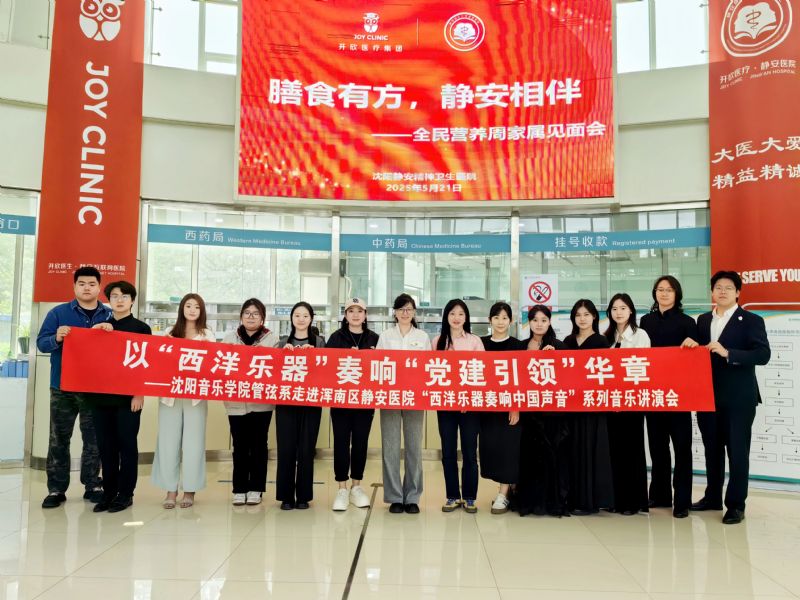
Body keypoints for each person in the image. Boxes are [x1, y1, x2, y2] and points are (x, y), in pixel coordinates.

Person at [685, 271, 770, 525]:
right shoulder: (703, 320)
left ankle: (735, 505)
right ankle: (712, 497)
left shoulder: (751, 320)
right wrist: (691, 345)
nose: (722, 291)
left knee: (737, 452)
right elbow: (699, 355)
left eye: (728, 287)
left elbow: (763, 354)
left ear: (738, 292)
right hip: (707, 397)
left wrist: (728, 353)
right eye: (718, 287)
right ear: (712, 291)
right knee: (712, 450)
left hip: (739, 399)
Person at [37, 266, 111, 509]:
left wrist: (112, 332)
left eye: (91, 284)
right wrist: (57, 337)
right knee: (58, 438)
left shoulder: (109, 316)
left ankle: (93, 485)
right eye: (82, 283)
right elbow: (42, 344)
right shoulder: (58, 313)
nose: (86, 288)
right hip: (63, 387)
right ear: (74, 286)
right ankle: (56, 489)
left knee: (94, 439)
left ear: (99, 287)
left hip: (95, 388)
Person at [85, 281, 151, 513]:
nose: (119, 300)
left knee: (127, 446)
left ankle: (125, 494)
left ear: (132, 300)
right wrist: (94, 333)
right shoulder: (100, 327)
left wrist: (139, 393)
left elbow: (146, 364)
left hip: (128, 400)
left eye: (124, 296)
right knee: (106, 447)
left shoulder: (142, 328)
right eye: (114, 296)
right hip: (101, 398)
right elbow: (89, 359)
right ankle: (109, 493)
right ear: (108, 300)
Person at [639, 275, 698, 518]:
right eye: (660, 289)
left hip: (678, 395)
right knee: (657, 446)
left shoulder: (688, 322)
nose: (664, 294)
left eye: (669, 290)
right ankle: (660, 494)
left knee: (682, 447)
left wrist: (694, 344)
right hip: (653, 393)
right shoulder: (645, 321)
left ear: (677, 294)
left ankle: (682, 500)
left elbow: (697, 358)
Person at [152, 293, 215, 509]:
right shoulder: (170, 332)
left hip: (195, 396)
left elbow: (212, 365)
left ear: (201, 311)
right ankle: (170, 490)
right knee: (168, 442)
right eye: (188, 306)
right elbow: (159, 361)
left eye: (196, 306)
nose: (192, 310)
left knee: (193, 443)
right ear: (182, 309)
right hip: (170, 394)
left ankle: (190, 490)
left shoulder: (207, 334)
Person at [222, 298, 279, 506]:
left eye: (256, 313)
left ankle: (256, 488)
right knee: (239, 445)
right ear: (241, 316)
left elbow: (276, 370)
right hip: (236, 402)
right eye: (247, 313)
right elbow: (220, 367)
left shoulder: (272, 339)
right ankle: (239, 488)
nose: (251, 317)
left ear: (262, 317)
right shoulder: (229, 338)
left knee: (258, 445)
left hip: (261, 402)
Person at [376, 293, 429, 514]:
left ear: (414, 312)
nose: (405, 313)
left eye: (409, 309)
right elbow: (378, 365)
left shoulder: (423, 337)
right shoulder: (385, 336)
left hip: (415, 397)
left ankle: (412, 496)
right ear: (395, 313)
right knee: (390, 446)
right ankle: (395, 497)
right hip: (389, 396)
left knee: (414, 447)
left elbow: (428, 367)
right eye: (401, 309)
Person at [515, 304, 570, 517]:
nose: (539, 324)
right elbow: (515, 378)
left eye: (544, 320)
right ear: (529, 322)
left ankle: (551, 502)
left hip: (551, 411)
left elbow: (568, 375)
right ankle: (529, 502)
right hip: (528, 411)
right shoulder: (521, 346)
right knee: (530, 457)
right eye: (535, 320)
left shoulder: (559, 346)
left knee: (551, 456)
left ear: (549, 322)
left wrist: (554, 358)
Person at [326, 298, 380, 512]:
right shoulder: (336, 337)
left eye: (360, 311)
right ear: (345, 315)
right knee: (341, 442)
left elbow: (383, 367)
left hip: (365, 400)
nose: (355, 314)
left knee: (360, 442)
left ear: (365, 315)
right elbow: (326, 367)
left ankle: (356, 486)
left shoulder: (374, 338)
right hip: (340, 400)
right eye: (351, 311)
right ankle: (341, 488)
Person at [433, 299, 485, 514]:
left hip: (469, 406)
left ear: (466, 318)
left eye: (461, 314)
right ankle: (452, 496)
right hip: (445, 405)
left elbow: (482, 373)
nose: (456, 318)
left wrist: (467, 398)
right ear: (446, 316)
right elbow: (430, 373)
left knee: (470, 453)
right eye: (452, 313)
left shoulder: (474, 341)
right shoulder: (437, 341)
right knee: (448, 452)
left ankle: (470, 497)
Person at [563, 299, 614, 515]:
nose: (582, 319)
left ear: (594, 316)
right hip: (571, 406)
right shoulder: (567, 341)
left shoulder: (601, 341)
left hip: (592, 406)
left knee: (590, 450)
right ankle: (572, 498)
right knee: (572, 451)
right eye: (578, 315)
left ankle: (589, 501)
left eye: (586, 314)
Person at [275, 301, 325, 510]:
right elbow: (271, 371)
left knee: (306, 449)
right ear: (292, 318)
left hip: (311, 402)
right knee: (286, 449)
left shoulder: (320, 342)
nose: (301, 319)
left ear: (311, 319)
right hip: (286, 402)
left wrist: (314, 355)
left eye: (305, 315)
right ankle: (286, 496)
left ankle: (303, 496)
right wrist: (282, 355)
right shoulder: (281, 343)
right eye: (297, 315)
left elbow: (327, 371)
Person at [604, 293, 650, 515]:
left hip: (632, 401)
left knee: (632, 450)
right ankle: (615, 499)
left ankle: (633, 502)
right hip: (610, 402)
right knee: (613, 451)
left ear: (631, 310)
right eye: (614, 309)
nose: (618, 312)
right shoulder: (606, 337)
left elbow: (645, 367)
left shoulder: (640, 335)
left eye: (623, 308)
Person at [479, 302, 521, 515]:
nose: (500, 322)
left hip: (509, 408)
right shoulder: (480, 343)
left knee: (508, 450)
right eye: (496, 317)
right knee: (491, 450)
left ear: (510, 321)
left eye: (505, 318)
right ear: (490, 320)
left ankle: (503, 494)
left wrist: (515, 407)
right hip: (486, 407)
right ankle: (506, 489)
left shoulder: (517, 345)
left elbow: (520, 379)